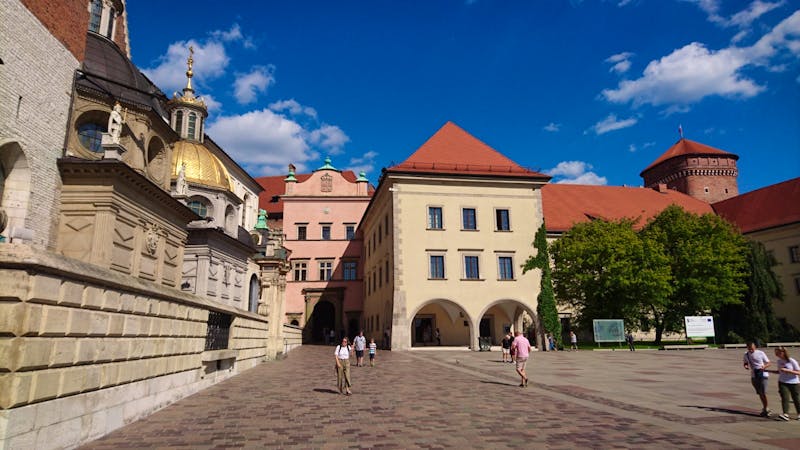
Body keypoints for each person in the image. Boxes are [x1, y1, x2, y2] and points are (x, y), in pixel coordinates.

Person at [743, 341, 771, 417]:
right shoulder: (746, 354)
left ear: (755, 347)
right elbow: (745, 362)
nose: (751, 350)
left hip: (763, 374)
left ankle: (766, 408)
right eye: (749, 349)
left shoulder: (761, 353)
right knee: (760, 393)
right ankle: (765, 408)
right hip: (754, 376)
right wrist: (746, 366)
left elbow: (768, 363)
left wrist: (764, 367)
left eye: (752, 348)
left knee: (763, 392)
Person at [773, 346, 800, 421]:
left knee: (796, 399)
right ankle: (785, 414)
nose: (777, 354)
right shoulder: (779, 361)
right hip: (782, 382)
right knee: (785, 398)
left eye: (778, 352)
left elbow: (798, 372)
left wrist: (788, 371)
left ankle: (799, 413)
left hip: (794, 382)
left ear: (783, 352)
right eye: (776, 353)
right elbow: (779, 371)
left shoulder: (792, 361)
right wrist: (768, 371)